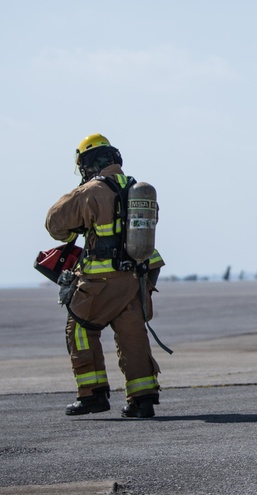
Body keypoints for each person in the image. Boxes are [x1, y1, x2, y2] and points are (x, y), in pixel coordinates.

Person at [45, 133, 166, 418]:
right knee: (133, 336)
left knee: (80, 327)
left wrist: (80, 222)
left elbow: (55, 224)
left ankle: (92, 394)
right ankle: (143, 399)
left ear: (89, 162)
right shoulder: (138, 189)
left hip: (100, 282)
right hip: (136, 279)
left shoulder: (91, 191)